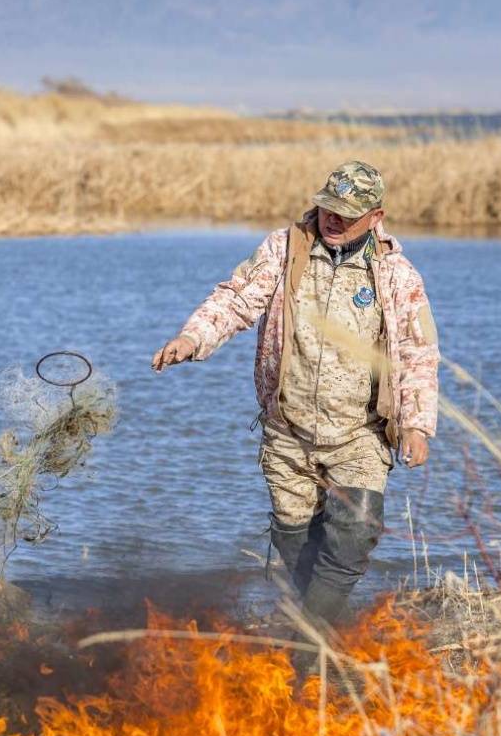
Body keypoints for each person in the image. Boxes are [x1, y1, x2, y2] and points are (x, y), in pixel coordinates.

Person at [151, 161, 439, 647]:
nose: (333, 219)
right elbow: (236, 300)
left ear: (376, 215)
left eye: (347, 214)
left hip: (360, 433)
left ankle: (305, 650)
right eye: (329, 207)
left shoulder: (395, 274)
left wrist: (416, 425)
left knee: (353, 538)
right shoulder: (285, 250)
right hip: (287, 432)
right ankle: (323, 641)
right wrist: (192, 339)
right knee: (297, 546)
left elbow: (417, 353)